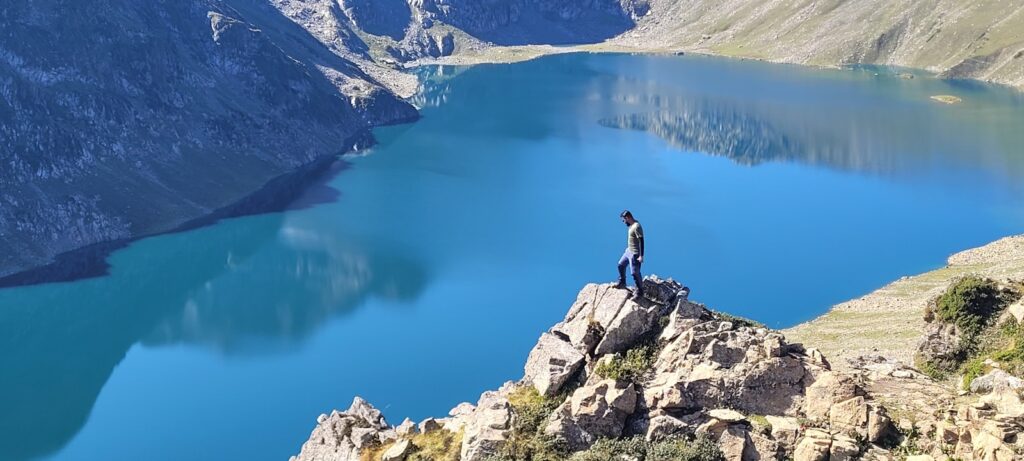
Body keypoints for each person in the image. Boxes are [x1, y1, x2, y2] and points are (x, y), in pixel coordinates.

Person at [615, 210, 644, 298]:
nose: (623, 222)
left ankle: (640, 291)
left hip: (635, 253)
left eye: (624, 220)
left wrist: (641, 256)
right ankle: (622, 282)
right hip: (628, 251)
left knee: (635, 273)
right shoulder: (631, 225)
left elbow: (641, 241)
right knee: (620, 265)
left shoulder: (637, 226)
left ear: (627, 218)